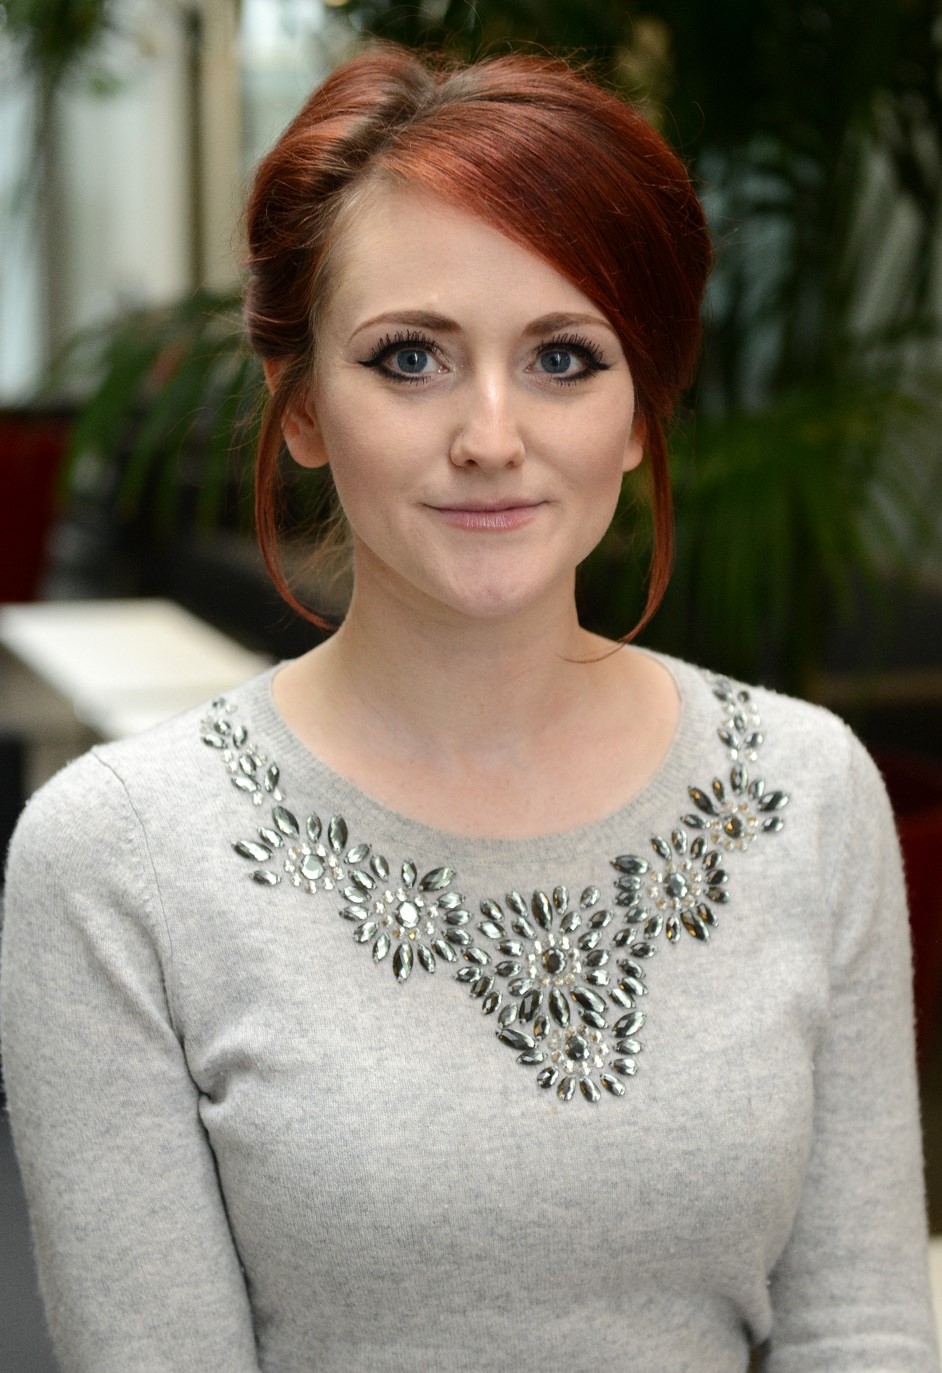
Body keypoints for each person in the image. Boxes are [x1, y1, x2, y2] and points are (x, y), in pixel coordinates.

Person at [1, 43, 938, 1373]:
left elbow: (860, 1329)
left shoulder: (804, 791)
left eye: (563, 356)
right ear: (305, 404)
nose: (491, 434)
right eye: (409, 358)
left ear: (637, 411)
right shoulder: (120, 858)